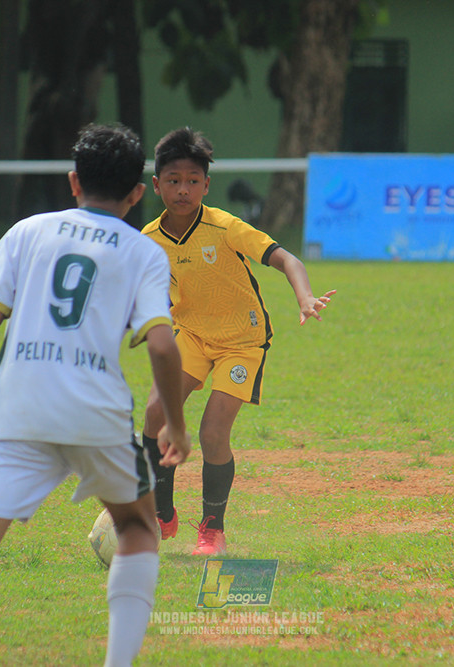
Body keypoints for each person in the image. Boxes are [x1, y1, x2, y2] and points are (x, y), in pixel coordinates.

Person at [0, 123, 190, 667]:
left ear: (73, 181)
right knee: (136, 525)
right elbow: (163, 347)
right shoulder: (144, 251)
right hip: (96, 414)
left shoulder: (27, 231)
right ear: (137, 194)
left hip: (16, 410)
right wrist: (175, 424)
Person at [140, 127, 335, 556]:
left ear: (207, 185)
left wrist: (303, 296)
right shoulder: (148, 240)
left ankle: (212, 528)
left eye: (193, 180)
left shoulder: (225, 226)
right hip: (191, 334)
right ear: (157, 185)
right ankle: (162, 511)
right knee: (154, 412)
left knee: (212, 432)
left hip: (242, 342)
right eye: (173, 180)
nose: (183, 190)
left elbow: (286, 258)